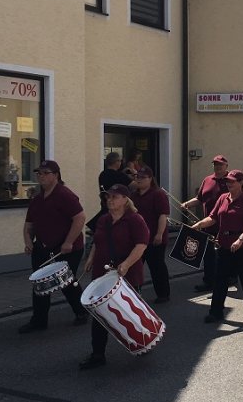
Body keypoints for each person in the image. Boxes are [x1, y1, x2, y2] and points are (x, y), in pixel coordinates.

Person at [79, 184, 150, 369]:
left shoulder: (135, 220)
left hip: (126, 274)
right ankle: (97, 354)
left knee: (130, 312)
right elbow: (98, 240)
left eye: (115, 197)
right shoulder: (103, 220)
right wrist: (91, 258)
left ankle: (143, 339)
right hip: (102, 273)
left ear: (125, 199)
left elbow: (141, 245)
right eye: (108, 197)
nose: (110, 200)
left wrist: (126, 264)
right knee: (99, 314)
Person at [20, 160, 89, 333]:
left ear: (56, 175)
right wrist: (28, 242)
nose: (41, 176)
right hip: (43, 248)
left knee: (65, 281)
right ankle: (39, 320)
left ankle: (81, 311)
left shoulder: (65, 195)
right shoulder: (37, 199)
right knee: (40, 282)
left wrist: (69, 241)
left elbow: (80, 218)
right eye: (39, 173)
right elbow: (29, 224)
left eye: (45, 173)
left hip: (66, 248)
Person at [192, 169, 243, 323]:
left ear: (241, 183)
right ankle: (215, 312)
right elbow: (213, 218)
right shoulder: (223, 198)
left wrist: (240, 240)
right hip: (224, 245)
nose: (229, 184)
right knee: (220, 279)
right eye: (227, 181)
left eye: (232, 181)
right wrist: (197, 226)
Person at [182, 155, 229, 291]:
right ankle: (209, 281)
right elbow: (199, 198)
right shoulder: (207, 180)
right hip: (208, 224)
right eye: (215, 165)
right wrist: (187, 204)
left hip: (225, 225)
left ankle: (230, 276)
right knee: (208, 255)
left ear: (226, 166)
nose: (217, 167)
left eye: (220, 165)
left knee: (224, 255)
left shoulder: (231, 181)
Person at [130, 166, 171, 303]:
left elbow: (162, 215)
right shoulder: (134, 195)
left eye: (142, 177)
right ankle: (134, 294)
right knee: (135, 267)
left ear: (150, 179)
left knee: (157, 267)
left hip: (154, 237)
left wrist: (159, 234)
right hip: (138, 239)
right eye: (137, 177)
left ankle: (163, 294)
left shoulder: (157, 194)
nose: (139, 180)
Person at [88, 152, 131, 232]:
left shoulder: (103, 174)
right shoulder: (119, 175)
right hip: (117, 206)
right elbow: (134, 185)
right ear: (116, 162)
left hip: (105, 202)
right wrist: (133, 173)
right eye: (120, 161)